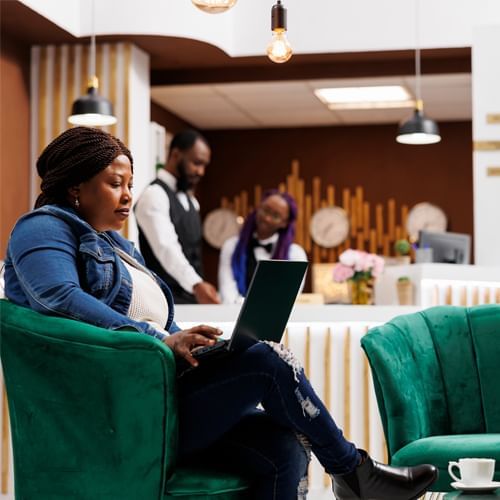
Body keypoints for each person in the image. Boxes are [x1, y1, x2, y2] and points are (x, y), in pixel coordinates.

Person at [4, 127, 437, 500]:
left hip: (159, 393)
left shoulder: (119, 246)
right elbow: (58, 297)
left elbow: (156, 324)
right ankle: (353, 472)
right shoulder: (41, 227)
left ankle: (352, 475)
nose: (127, 197)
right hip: (120, 409)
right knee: (267, 359)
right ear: (75, 187)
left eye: (130, 185)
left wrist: (186, 338)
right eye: (115, 183)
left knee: (283, 444)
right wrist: (159, 340)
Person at [134, 129, 219, 304]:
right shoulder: (154, 195)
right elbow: (166, 248)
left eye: (205, 165)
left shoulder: (191, 201)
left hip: (193, 302)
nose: (201, 171)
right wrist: (196, 284)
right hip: (165, 302)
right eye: (196, 163)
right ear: (175, 154)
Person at [219, 190, 307, 304]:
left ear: (284, 223)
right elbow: (228, 294)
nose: (267, 218)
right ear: (258, 208)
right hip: (235, 315)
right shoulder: (231, 246)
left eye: (275, 215)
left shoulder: (295, 254)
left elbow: (288, 297)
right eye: (265, 210)